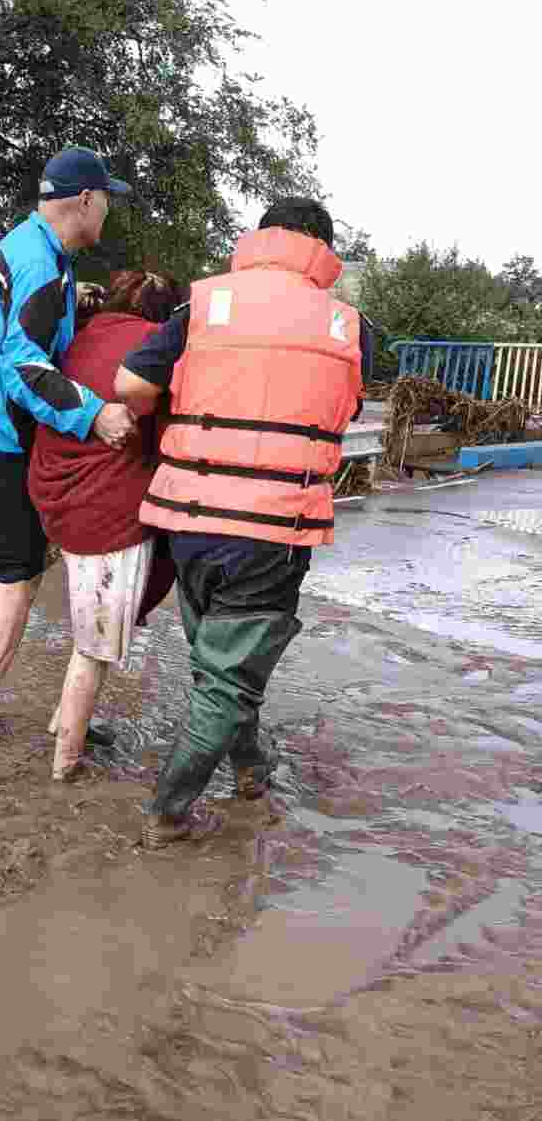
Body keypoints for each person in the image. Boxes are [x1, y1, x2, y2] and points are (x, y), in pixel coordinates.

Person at [114, 198, 374, 849]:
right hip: (272, 529)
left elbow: (129, 386)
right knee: (228, 676)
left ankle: (251, 772)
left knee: (220, 663)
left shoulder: (201, 304)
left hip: (191, 521)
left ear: (260, 237)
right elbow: (351, 399)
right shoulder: (350, 326)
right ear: (321, 248)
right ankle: (166, 813)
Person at [0, 147, 137, 736]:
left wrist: (76, 301)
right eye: (107, 203)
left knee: (23, 553)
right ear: (86, 201)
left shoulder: (33, 249)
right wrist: (93, 415)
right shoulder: (42, 265)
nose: (108, 215)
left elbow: (29, 322)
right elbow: (25, 366)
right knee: (19, 575)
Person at [28, 271, 183, 780]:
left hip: (54, 497)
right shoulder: (153, 348)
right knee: (94, 646)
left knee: (89, 624)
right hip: (106, 511)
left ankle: (62, 725)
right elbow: (168, 436)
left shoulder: (80, 334)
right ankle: (65, 762)